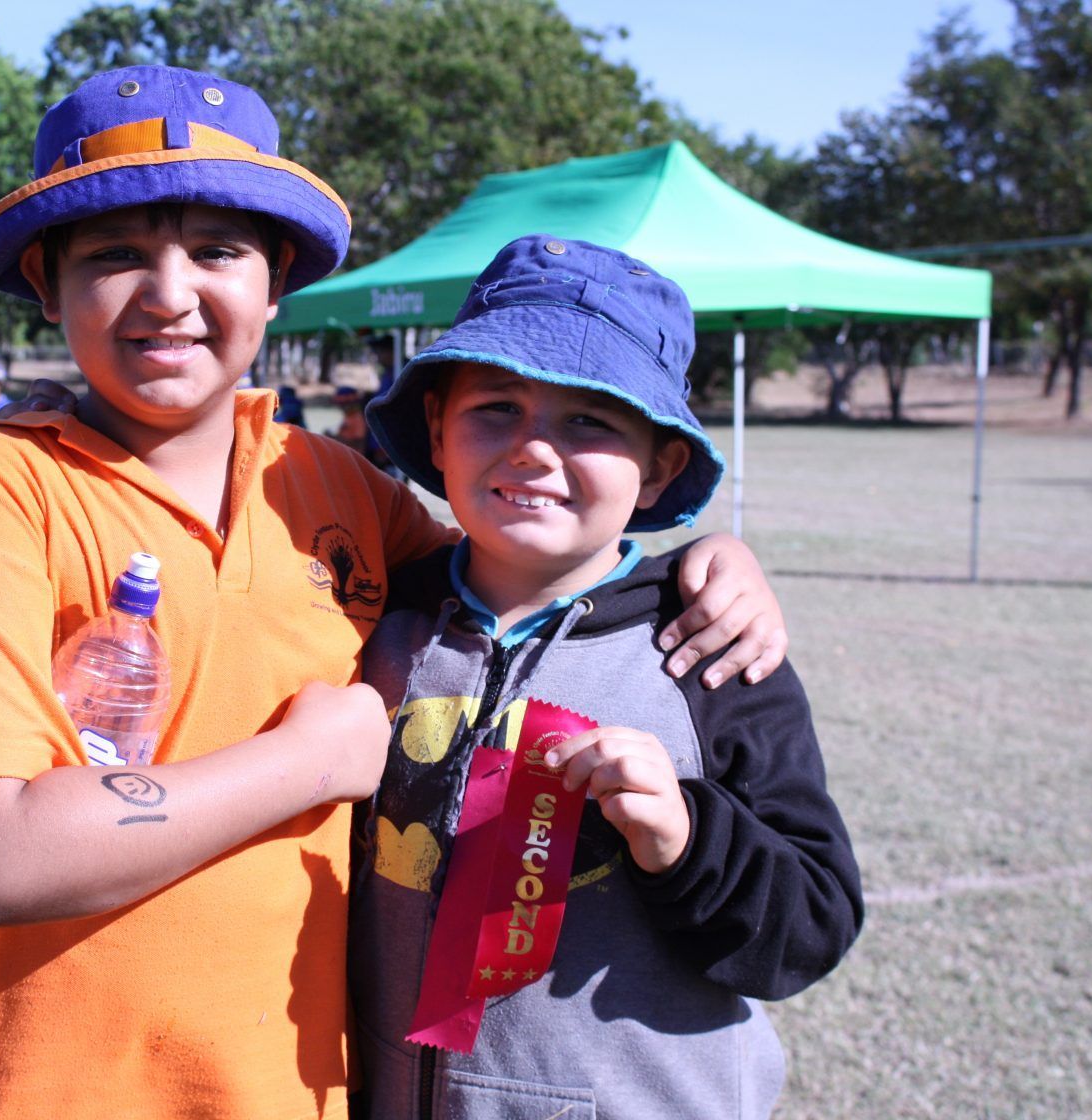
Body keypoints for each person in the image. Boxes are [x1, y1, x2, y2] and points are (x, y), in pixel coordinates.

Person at [0, 66, 788, 1120]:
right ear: (47, 281)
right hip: (31, 1085)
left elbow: (538, 562)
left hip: (287, 1091)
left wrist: (704, 562)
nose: (169, 292)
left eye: (217, 250)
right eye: (116, 253)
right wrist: (308, 761)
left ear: (276, 282)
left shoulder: (332, 486)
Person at [350, 235, 864, 1119]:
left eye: (590, 419)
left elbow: (812, 926)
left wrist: (687, 840)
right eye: (496, 406)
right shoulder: (379, 613)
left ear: (662, 463)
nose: (533, 451)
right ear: (436, 428)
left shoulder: (711, 650)